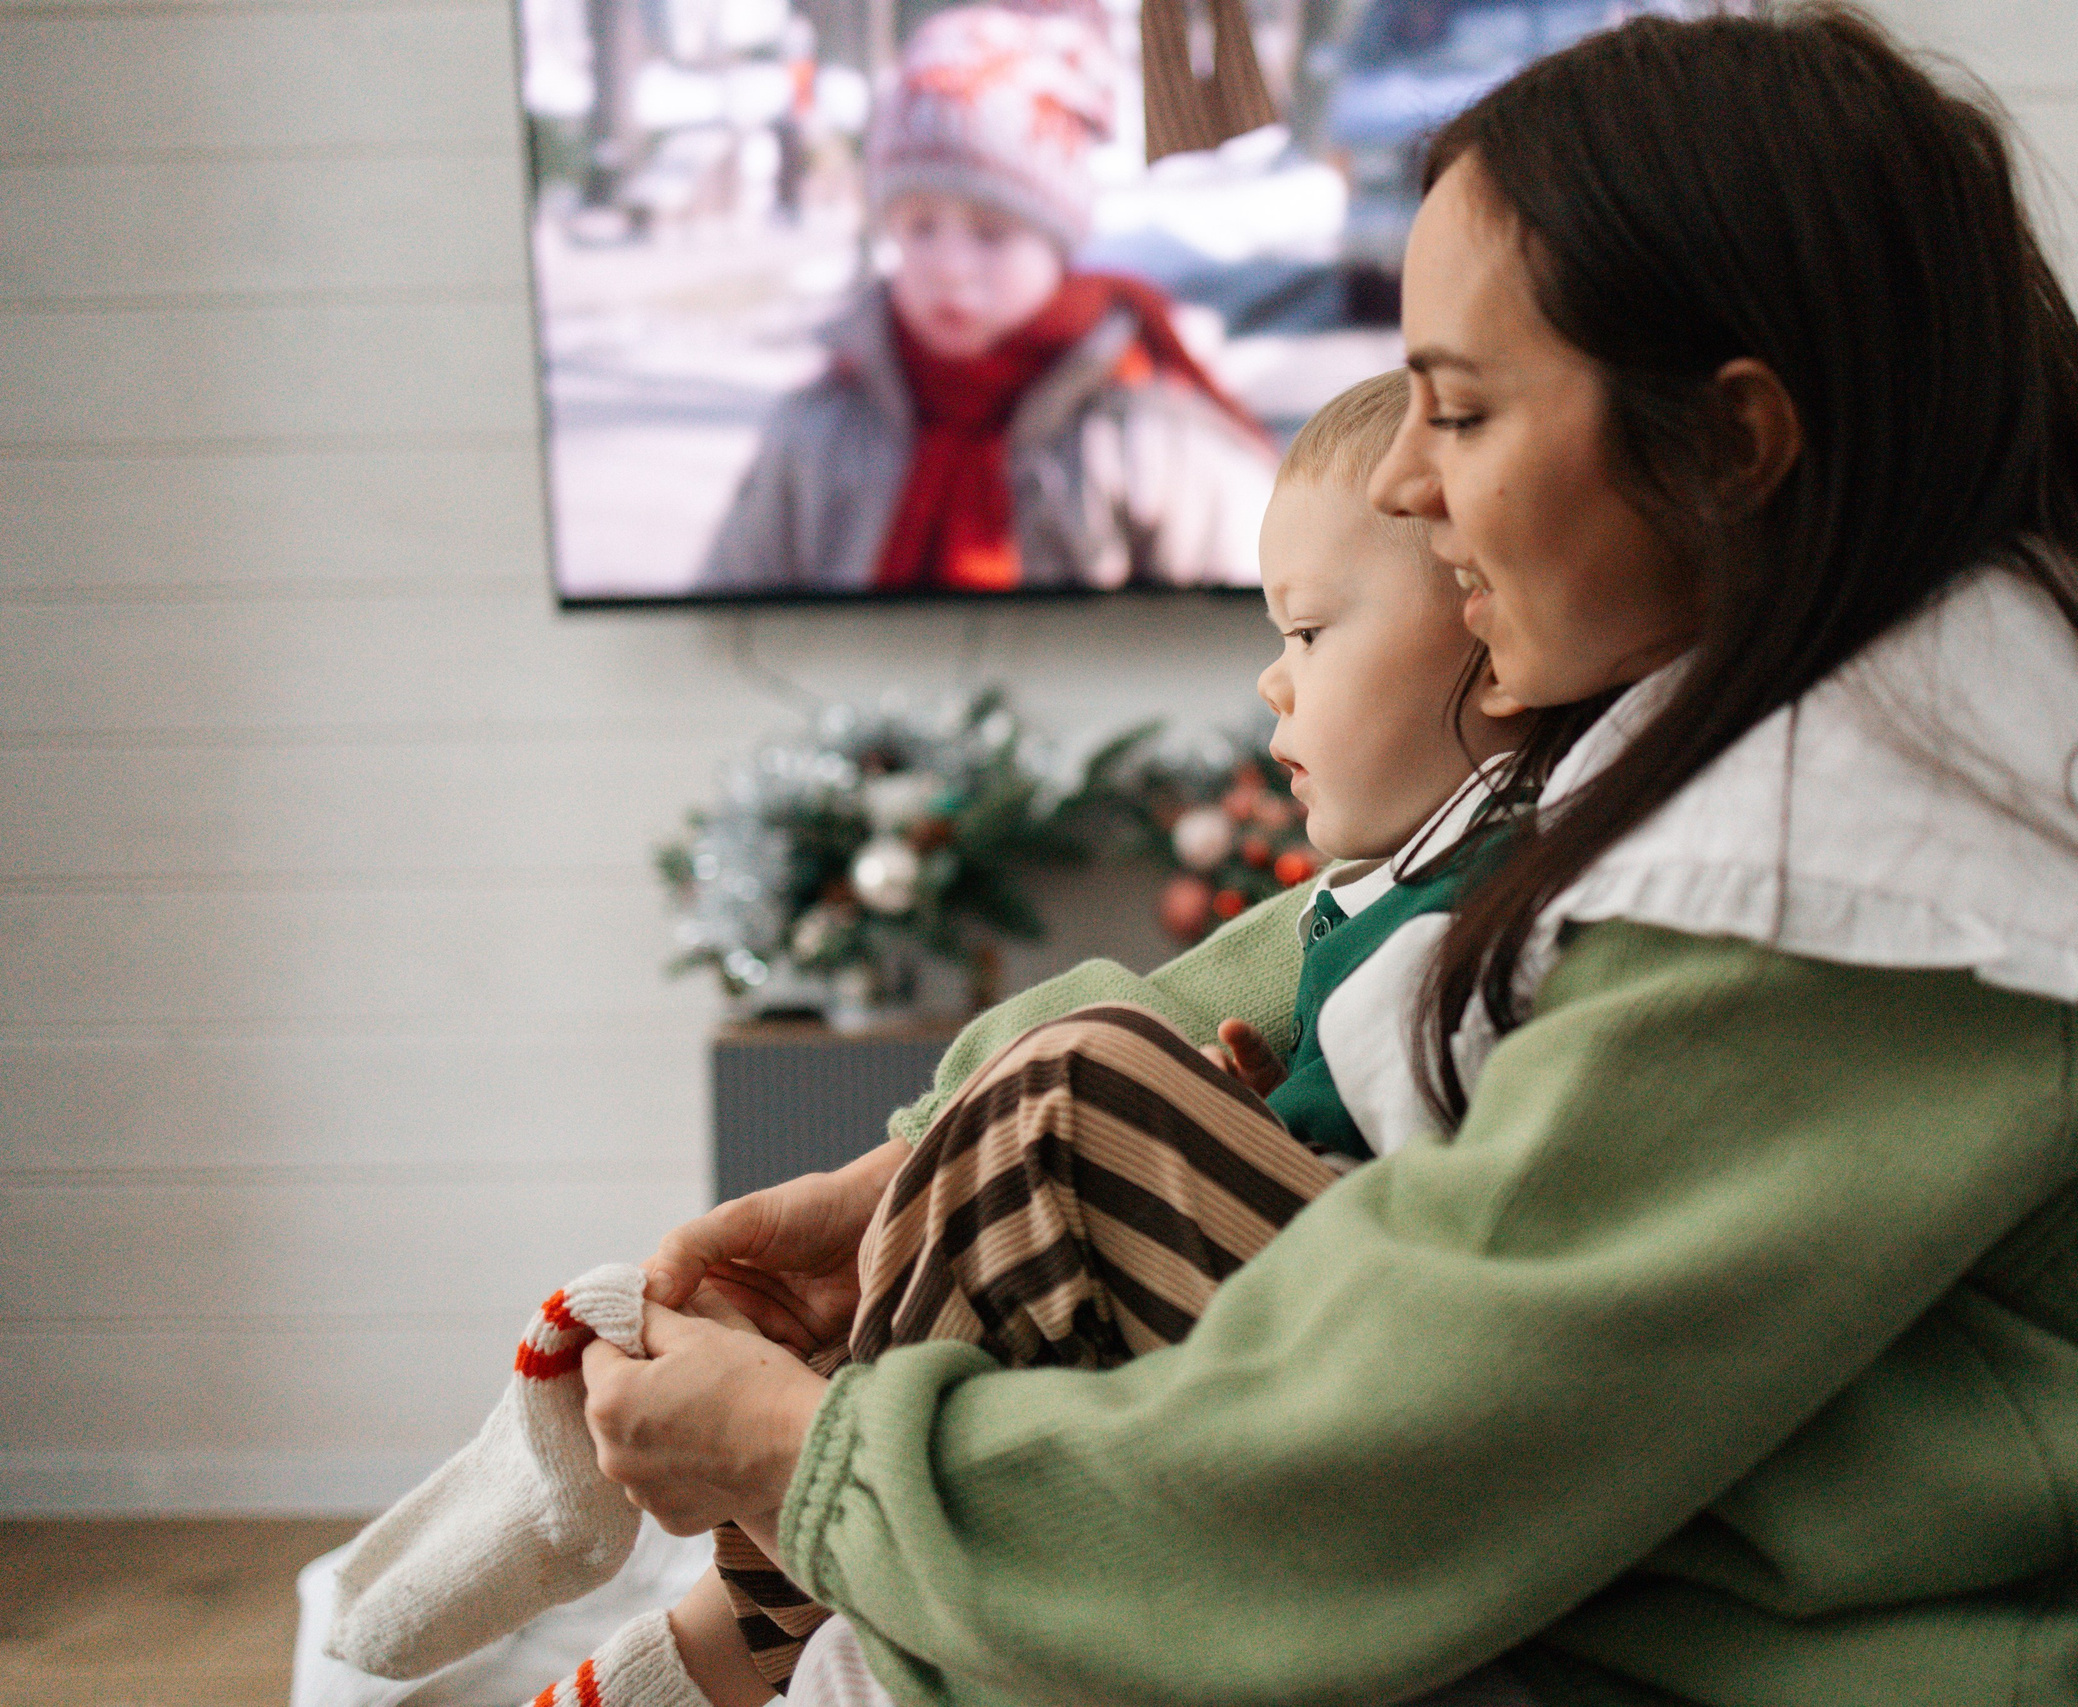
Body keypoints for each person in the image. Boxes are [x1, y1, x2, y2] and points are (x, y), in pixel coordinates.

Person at [588, 9, 2078, 1705]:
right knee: (1063, 1152)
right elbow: (1359, 939)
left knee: (1094, 1561)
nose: (1406, 481)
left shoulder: (1891, 877)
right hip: (1872, 1587)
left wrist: (808, 1457)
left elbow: (1367, 1471)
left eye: (1464, 409)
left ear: (1734, 443)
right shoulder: (1867, 684)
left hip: (1988, 1650)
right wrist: (922, 1151)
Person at [504, 370, 1524, 1707]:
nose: (1273, 675)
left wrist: (1218, 1138)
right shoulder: (1405, 890)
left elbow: (1426, 1227)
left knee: (1061, 1086)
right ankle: (784, 1565)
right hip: (1346, 1367)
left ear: (1500, 632)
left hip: (1402, 1441)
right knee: (1048, 1127)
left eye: (1315, 630)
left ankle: (752, 1604)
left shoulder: (1481, 906)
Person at [696, 3, 1276, 595]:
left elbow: (1258, 641)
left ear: (1058, 245)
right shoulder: (820, 433)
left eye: (991, 234)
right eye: (920, 227)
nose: (950, 268)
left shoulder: (1147, 436)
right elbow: (717, 632)